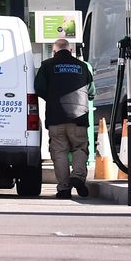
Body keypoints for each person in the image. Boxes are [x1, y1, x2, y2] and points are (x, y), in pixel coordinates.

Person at [34, 38, 95, 199]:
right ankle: (78, 176)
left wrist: (53, 97)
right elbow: (91, 91)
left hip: (56, 117)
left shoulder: (47, 65)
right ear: (71, 51)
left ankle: (64, 189)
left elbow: (39, 88)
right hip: (79, 118)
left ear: (54, 51)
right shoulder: (82, 66)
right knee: (80, 148)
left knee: (59, 152)